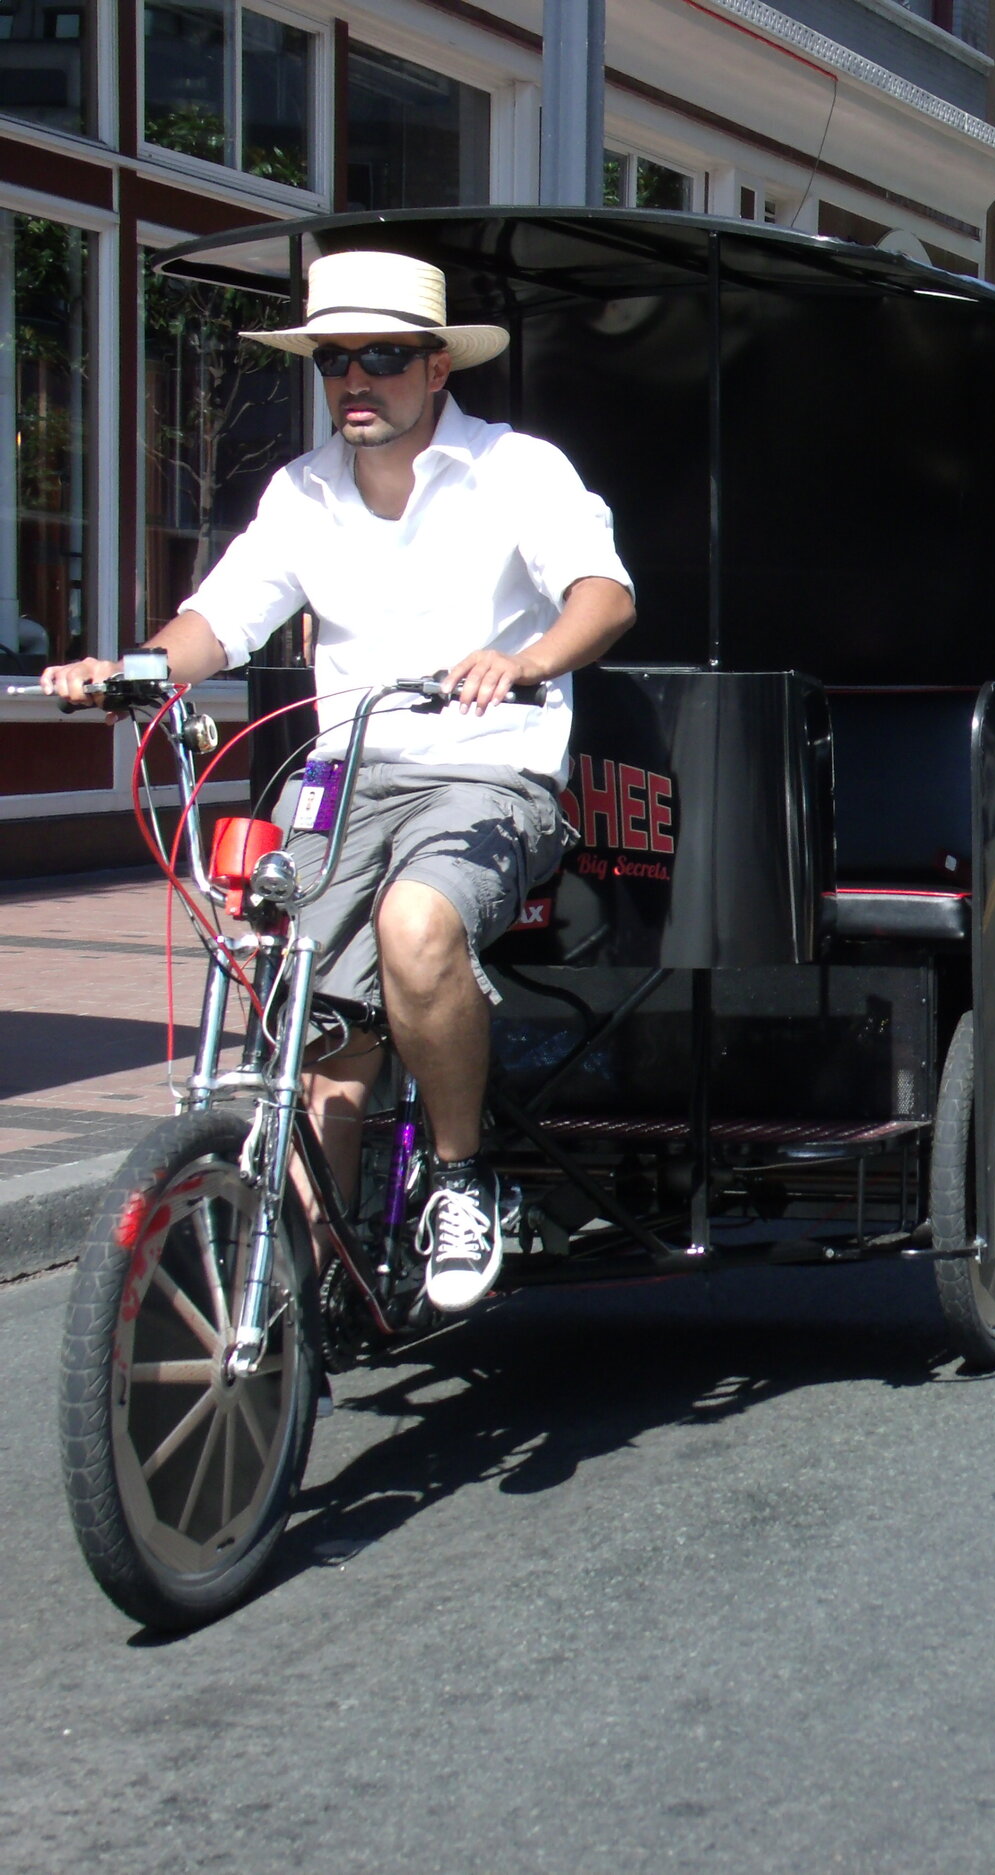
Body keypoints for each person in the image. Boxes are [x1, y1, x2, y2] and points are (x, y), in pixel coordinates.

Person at [42, 249, 636, 1313]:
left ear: (436, 366)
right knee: (311, 1001)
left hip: (482, 772)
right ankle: (300, 1275)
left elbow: (604, 595)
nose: (354, 379)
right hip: (344, 776)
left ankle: (460, 1179)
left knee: (415, 928)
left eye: (381, 357)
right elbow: (220, 621)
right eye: (333, 360)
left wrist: (528, 660)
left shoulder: (515, 470)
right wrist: (129, 672)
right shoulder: (304, 492)